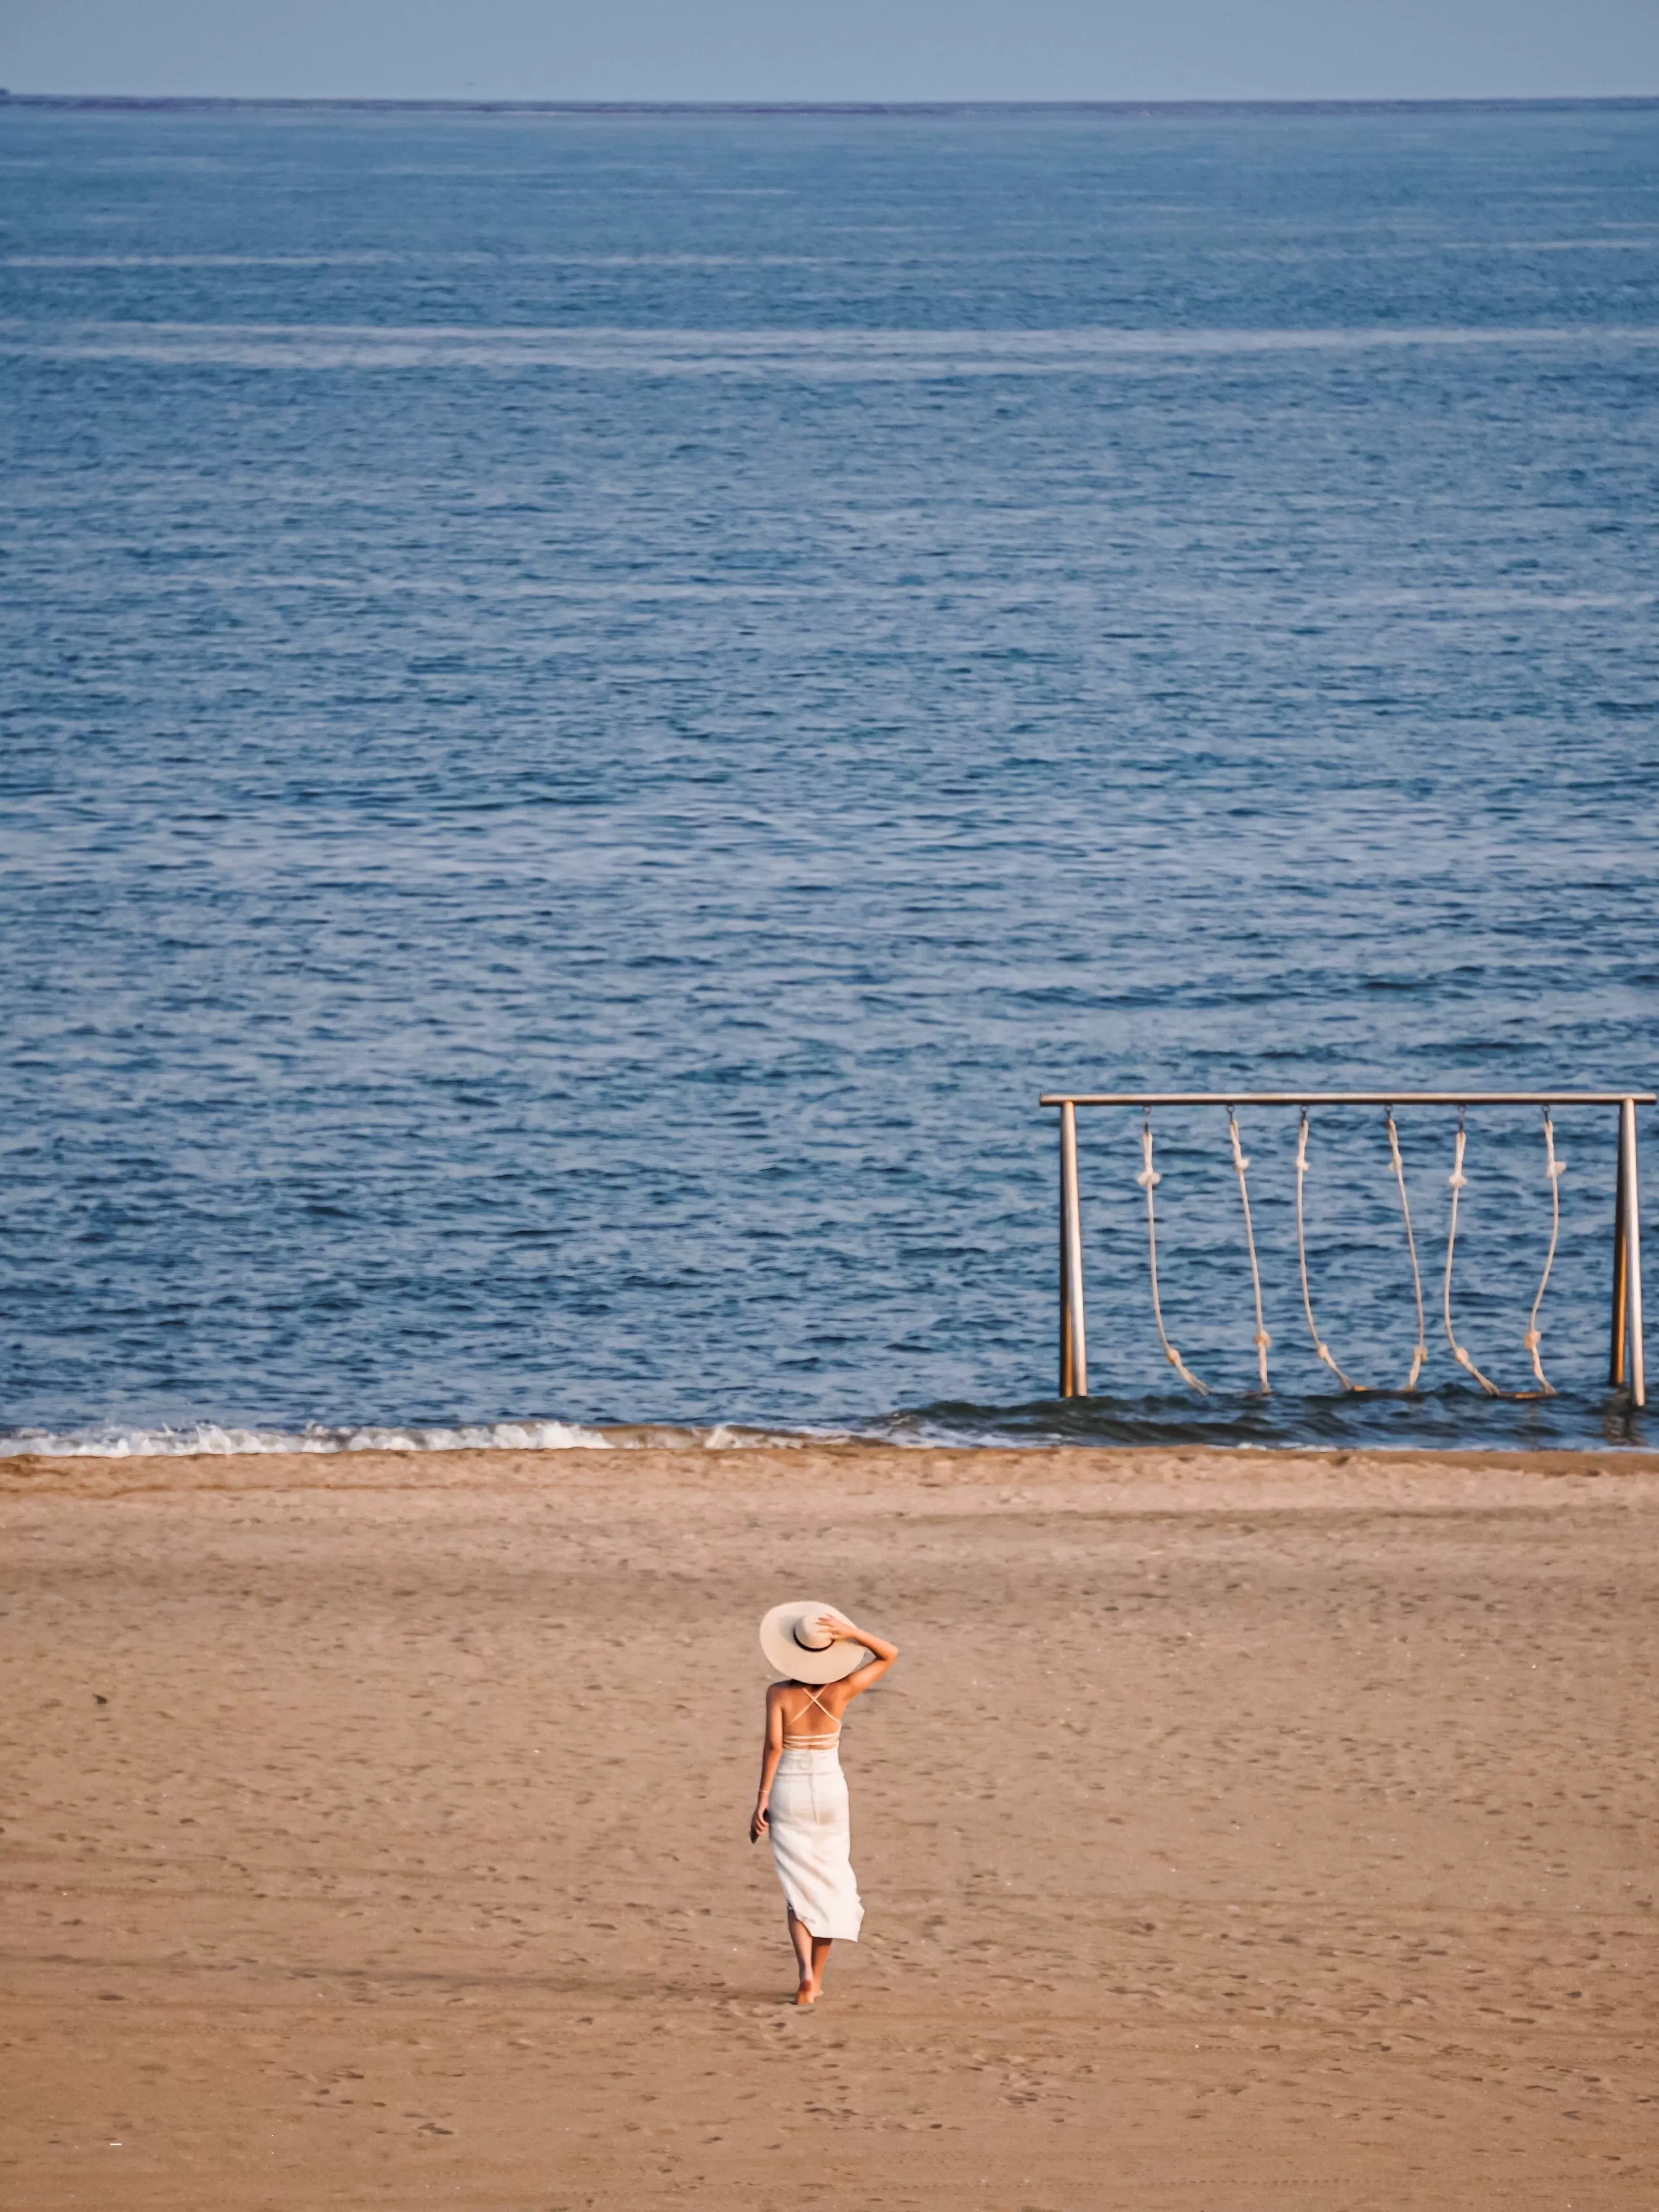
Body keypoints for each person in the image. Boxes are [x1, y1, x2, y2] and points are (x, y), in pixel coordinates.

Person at [750, 1602, 899, 2006]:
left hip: (789, 1790)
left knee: (797, 1888)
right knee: (829, 1881)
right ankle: (817, 1977)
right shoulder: (842, 1690)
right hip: (830, 1791)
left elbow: (775, 1747)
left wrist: (761, 1800)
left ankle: (804, 1977)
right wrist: (851, 1634)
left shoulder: (778, 1693)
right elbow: (890, 1653)